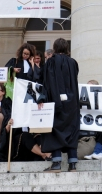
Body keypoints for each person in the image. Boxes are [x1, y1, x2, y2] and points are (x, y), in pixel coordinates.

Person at [37, 38, 80, 172]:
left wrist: (42, 97)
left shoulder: (51, 61)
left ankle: (56, 163)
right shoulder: (73, 62)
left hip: (56, 101)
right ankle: (72, 163)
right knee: (71, 130)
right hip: (72, 102)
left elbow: (47, 82)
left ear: (55, 47)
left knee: (55, 130)